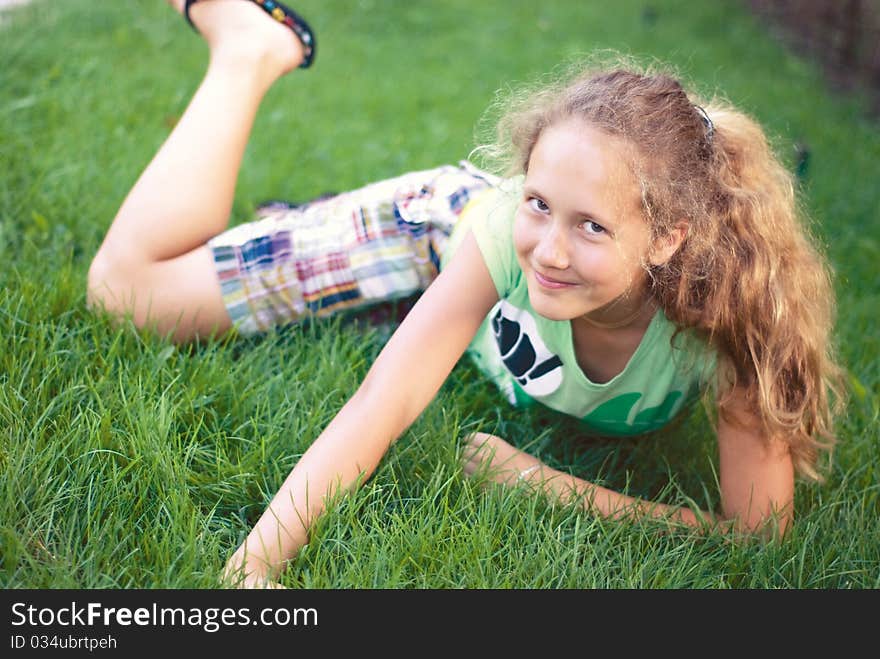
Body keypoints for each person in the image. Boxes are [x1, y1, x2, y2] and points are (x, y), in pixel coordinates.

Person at [87, 0, 844, 588]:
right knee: (128, 296)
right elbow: (383, 402)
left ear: (670, 236)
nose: (549, 249)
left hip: (477, 297)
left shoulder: (732, 323)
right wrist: (256, 561)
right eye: (540, 201)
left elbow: (754, 541)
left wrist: (542, 482)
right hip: (433, 231)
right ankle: (249, 48)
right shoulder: (498, 231)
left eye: (592, 227)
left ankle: (341, 265)